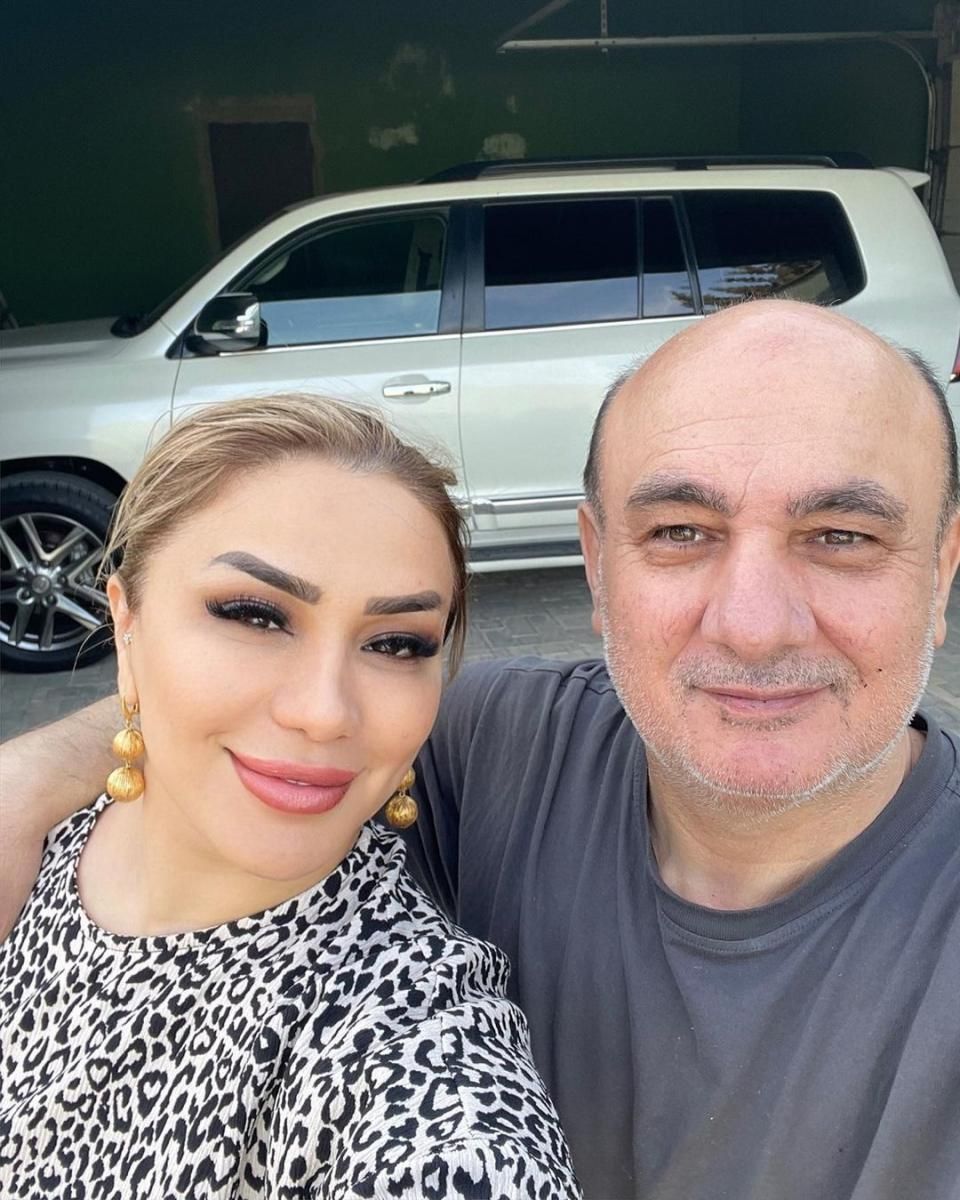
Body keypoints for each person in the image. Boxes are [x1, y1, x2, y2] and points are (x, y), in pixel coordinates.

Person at [4, 298, 960, 1199]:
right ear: (596, 566)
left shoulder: (419, 1082)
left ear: (943, 569)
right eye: (680, 531)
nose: (754, 626)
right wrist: (30, 777)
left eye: (842, 536)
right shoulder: (501, 743)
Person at [0, 396, 580, 1199]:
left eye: (396, 644)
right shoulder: (33, 845)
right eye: (255, 615)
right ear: (125, 623)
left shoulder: (419, 1059)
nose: (324, 711)